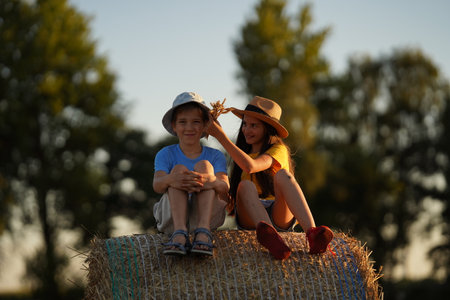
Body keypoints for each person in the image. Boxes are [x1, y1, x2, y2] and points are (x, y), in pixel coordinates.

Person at [206, 96, 333, 260]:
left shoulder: (278, 149)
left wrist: (220, 136)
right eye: (245, 124)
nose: (246, 129)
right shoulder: (240, 155)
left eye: (254, 125)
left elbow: (250, 166)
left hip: (279, 213)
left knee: (283, 175)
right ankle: (271, 238)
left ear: (267, 128)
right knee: (244, 186)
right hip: (251, 217)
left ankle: (313, 234)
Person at [153, 92, 230, 256]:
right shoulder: (165, 154)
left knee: (205, 166)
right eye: (183, 122)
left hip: (208, 217)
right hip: (171, 219)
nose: (189, 127)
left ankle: (203, 231)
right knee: (178, 170)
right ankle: (179, 233)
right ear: (174, 125)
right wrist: (172, 179)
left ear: (204, 126)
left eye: (196, 122)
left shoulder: (215, 156)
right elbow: (157, 185)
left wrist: (210, 180)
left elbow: (225, 187)